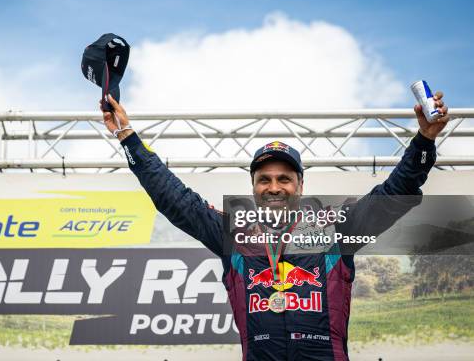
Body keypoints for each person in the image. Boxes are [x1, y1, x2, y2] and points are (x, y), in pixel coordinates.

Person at [101, 93, 449, 361]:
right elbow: (174, 199)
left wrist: (424, 141)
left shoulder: (336, 229)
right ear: (253, 188)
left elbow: (394, 194)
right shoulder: (233, 234)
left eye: (284, 178)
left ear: (300, 186)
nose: (274, 187)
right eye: (264, 179)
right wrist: (128, 137)